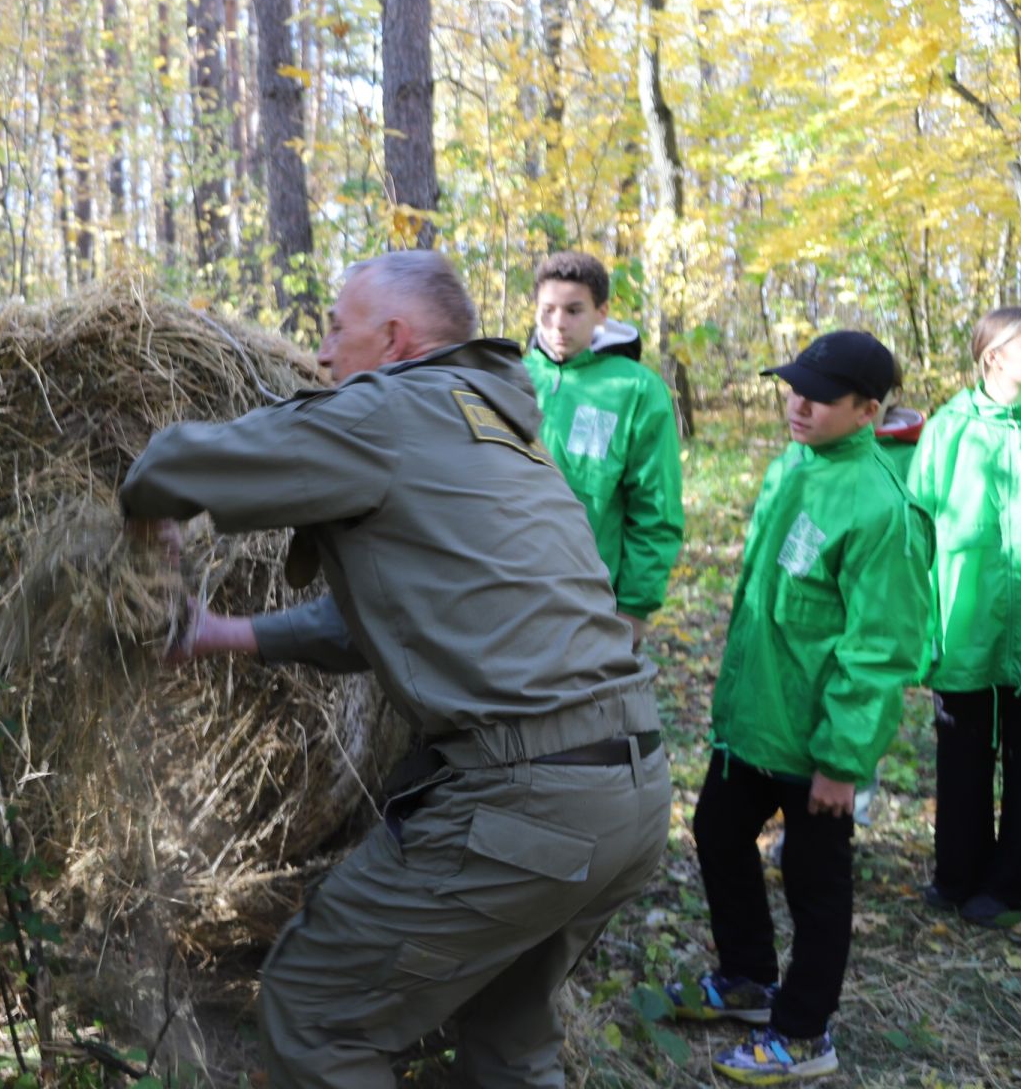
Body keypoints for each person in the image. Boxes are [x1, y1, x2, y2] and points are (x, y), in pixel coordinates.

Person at [119, 251, 671, 1089]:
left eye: (337, 330)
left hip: (531, 802)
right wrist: (221, 632)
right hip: (632, 789)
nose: (322, 355)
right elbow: (383, 620)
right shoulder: (499, 428)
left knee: (313, 1010)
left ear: (394, 337)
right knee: (506, 1034)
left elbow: (183, 465)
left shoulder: (388, 406)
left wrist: (149, 502)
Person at [663, 330, 933, 1084]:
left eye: (818, 395)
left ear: (869, 411)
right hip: (753, 722)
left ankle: (805, 1033)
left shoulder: (884, 508)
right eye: (792, 386)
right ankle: (748, 977)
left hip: (816, 745)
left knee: (817, 891)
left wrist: (843, 763)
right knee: (717, 830)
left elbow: (879, 650)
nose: (797, 402)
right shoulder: (793, 466)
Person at [905, 307, 1021, 927]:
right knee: (962, 758)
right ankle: (957, 874)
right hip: (966, 628)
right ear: (994, 356)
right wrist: (921, 628)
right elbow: (915, 533)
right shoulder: (949, 429)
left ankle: (1016, 884)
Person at [524, 252, 685, 647]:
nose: (558, 323)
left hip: (593, 605)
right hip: (510, 596)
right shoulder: (512, 379)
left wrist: (633, 609)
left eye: (574, 310)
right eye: (548, 310)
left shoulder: (636, 390)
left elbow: (655, 508)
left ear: (602, 312)